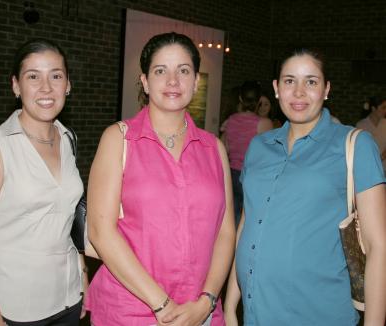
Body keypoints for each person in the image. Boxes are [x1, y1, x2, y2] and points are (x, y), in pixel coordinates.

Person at [224, 48, 386, 325]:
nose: (299, 92)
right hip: (255, 312)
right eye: (289, 81)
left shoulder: (355, 145)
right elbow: (248, 223)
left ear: (326, 89)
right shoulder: (259, 145)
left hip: (317, 313)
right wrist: (230, 306)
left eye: (311, 81)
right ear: (276, 89)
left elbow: (378, 245)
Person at [85, 32, 236, 325]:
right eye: (160, 71)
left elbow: (225, 232)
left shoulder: (214, 148)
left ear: (195, 81)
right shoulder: (119, 139)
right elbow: (100, 231)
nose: (172, 81)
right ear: (144, 81)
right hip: (130, 310)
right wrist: (163, 305)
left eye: (183, 70)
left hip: (200, 311)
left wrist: (207, 300)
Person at [0, 39, 88, 325]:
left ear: (67, 85)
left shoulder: (67, 139)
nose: (46, 88)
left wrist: (82, 273)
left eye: (56, 76)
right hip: (14, 307)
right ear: (16, 86)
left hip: (68, 297)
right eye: (33, 76)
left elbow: (67, 217)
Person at [220, 82, 273, 226]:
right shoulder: (265, 123)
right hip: (252, 175)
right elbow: (269, 157)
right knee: (250, 219)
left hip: (232, 174)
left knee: (233, 218)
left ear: (240, 98)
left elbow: (225, 149)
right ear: (259, 100)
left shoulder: (230, 120)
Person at [357, 96, 386, 172]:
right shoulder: (361, 125)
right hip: (367, 168)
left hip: (384, 169)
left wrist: (382, 156)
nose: (385, 111)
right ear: (373, 109)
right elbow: (358, 148)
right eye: (383, 108)